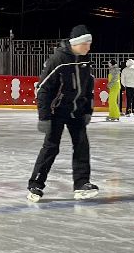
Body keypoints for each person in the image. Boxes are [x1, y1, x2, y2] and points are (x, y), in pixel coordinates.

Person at [27, 25, 99, 203]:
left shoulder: (85, 60)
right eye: (85, 44)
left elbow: (88, 87)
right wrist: (44, 117)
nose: (88, 47)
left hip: (76, 111)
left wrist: (87, 110)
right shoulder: (58, 60)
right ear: (75, 44)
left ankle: (81, 184)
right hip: (56, 111)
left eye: (89, 43)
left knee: (82, 146)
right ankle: (36, 184)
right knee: (51, 147)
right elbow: (43, 89)